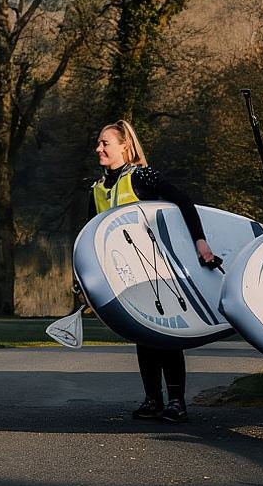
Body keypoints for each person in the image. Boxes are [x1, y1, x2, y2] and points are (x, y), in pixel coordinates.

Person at [90, 120, 216, 424]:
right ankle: (153, 399)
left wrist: (200, 243)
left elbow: (183, 201)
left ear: (125, 146)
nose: (98, 148)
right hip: (125, 276)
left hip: (159, 270)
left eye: (105, 143)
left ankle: (177, 402)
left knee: (166, 335)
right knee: (142, 335)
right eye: (98, 143)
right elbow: (89, 237)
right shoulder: (96, 190)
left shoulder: (142, 176)